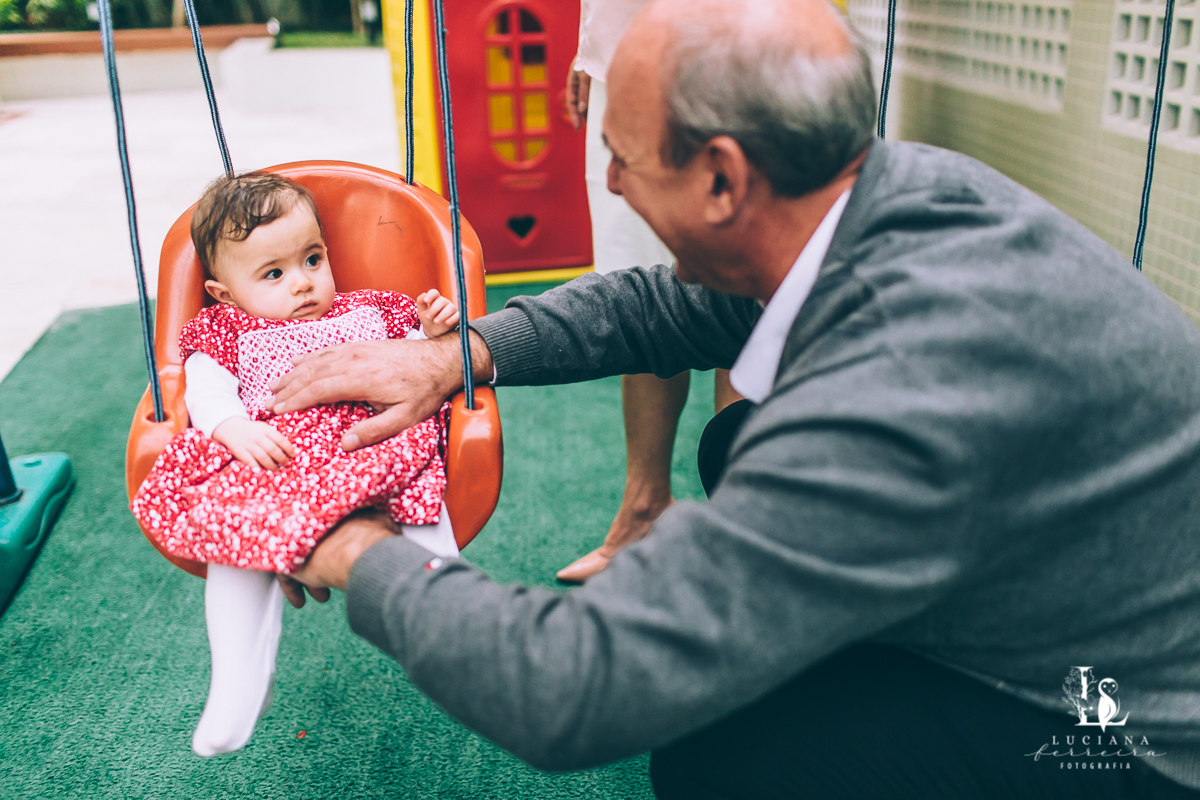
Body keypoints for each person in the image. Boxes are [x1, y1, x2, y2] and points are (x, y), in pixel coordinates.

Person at [268, 0, 1200, 796]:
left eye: (624, 158)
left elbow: (573, 685)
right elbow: (662, 307)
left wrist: (354, 549)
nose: (609, 181)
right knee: (737, 439)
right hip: (1066, 587)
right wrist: (452, 357)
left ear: (722, 178)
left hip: (1134, 733)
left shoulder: (894, 387)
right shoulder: (891, 192)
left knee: (726, 754)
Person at [130, 172, 461, 757]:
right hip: (279, 456)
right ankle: (237, 679)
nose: (303, 282)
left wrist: (431, 332)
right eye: (274, 274)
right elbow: (205, 389)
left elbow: (416, 362)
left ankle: (457, 638)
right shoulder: (226, 330)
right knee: (231, 529)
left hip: (370, 441)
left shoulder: (368, 310)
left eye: (312, 259)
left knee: (423, 499)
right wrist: (233, 428)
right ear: (225, 293)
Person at [558, 0, 743, 584]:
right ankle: (646, 506)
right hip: (621, 52)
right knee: (632, 276)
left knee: (741, 277)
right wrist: (591, 50)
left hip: (738, 46)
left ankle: (740, 526)